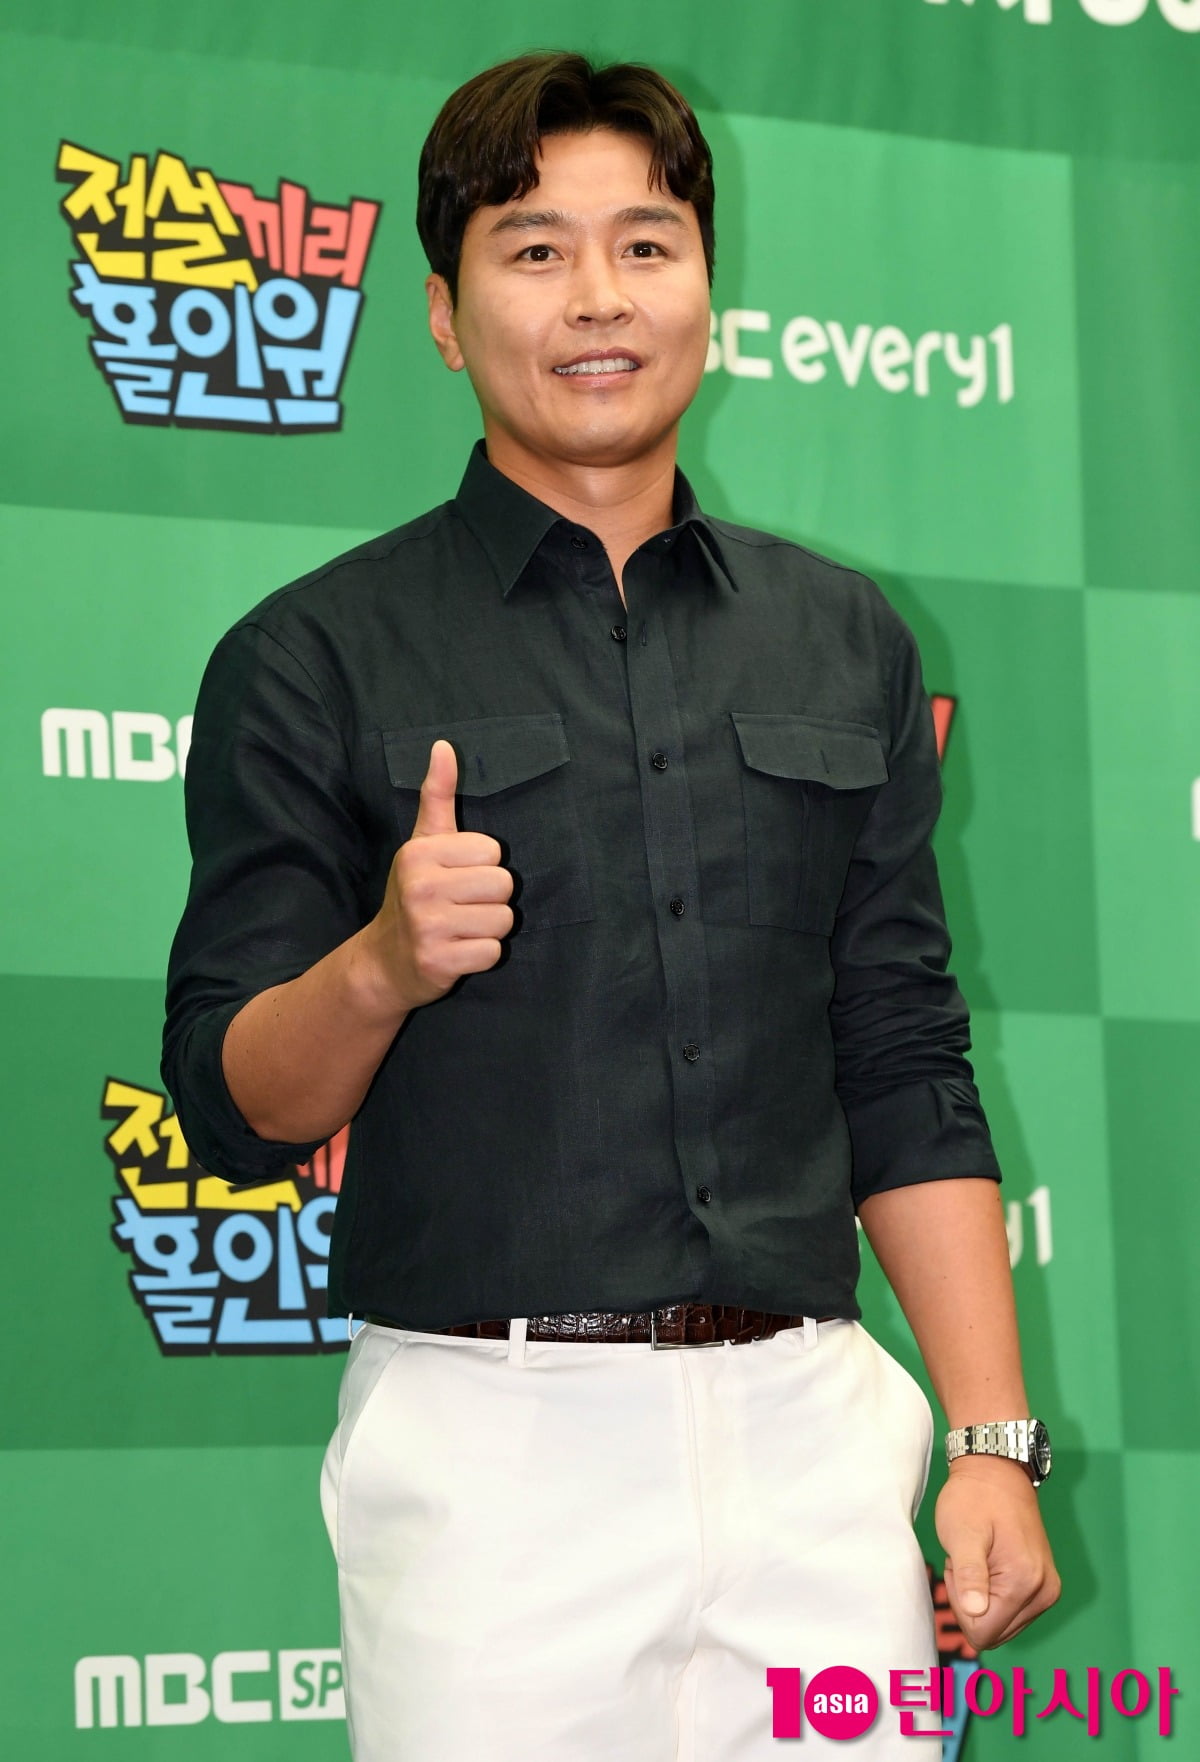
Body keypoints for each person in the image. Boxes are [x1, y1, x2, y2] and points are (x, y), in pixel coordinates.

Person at [162, 51, 1060, 1762]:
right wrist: (380, 965)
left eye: (646, 245)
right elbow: (231, 1103)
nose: (598, 297)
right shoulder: (310, 655)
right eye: (534, 249)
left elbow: (901, 1054)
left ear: (708, 288)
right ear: (444, 313)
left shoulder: (847, 640)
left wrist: (991, 1439)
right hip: (493, 1460)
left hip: (813, 1439)